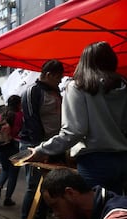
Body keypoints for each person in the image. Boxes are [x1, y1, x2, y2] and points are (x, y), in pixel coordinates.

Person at [30, 41, 127, 195]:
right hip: (122, 159)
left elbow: (74, 131)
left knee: (91, 214)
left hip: (94, 162)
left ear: (85, 62)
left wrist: (41, 149)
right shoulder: (123, 86)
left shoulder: (78, 86)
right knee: (115, 213)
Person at [16, 59, 64, 219]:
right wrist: (40, 150)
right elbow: (32, 122)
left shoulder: (55, 91)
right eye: (58, 78)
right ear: (49, 75)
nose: (60, 82)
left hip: (53, 145)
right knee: (33, 185)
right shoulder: (31, 91)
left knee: (49, 186)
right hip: (34, 145)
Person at [0, 95, 23, 206]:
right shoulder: (18, 115)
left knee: (5, 169)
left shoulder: (2, 114)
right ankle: (8, 198)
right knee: (13, 173)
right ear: (18, 103)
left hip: (1, 145)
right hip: (14, 145)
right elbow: (17, 130)